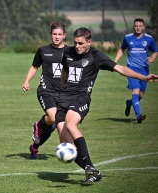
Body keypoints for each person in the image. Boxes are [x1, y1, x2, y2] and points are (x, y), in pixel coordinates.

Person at [55, 27, 158, 183]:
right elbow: (65, 71)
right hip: (63, 99)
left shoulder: (96, 56)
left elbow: (121, 68)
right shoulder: (68, 53)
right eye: (75, 43)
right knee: (66, 144)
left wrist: (144, 78)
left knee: (71, 123)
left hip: (81, 98)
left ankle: (89, 168)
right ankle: (92, 171)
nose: (77, 46)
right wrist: (62, 89)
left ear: (89, 42)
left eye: (81, 43)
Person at [22, 21, 69, 160]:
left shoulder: (70, 51)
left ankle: (35, 147)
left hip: (63, 93)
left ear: (64, 35)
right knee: (54, 118)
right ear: (50, 34)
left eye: (59, 34)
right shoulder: (43, 50)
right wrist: (26, 81)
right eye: (54, 34)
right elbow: (34, 67)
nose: (57, 36)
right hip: (46, 90)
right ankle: (39, 124)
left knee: (53, 125)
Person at [114, 18, 158, 123]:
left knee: (140, 96)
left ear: (143, 27)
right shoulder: (128, 38)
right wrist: (115, 61)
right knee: (135, 91)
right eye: (136, 26)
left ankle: (129, 103)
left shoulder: (149, 39)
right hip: (131, 69)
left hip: (144, 70)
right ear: (134, 27)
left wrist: (152, 58)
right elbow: (122, 49)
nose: (138, 28)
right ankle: (139, 116)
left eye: (140, 26)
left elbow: (156, 51)